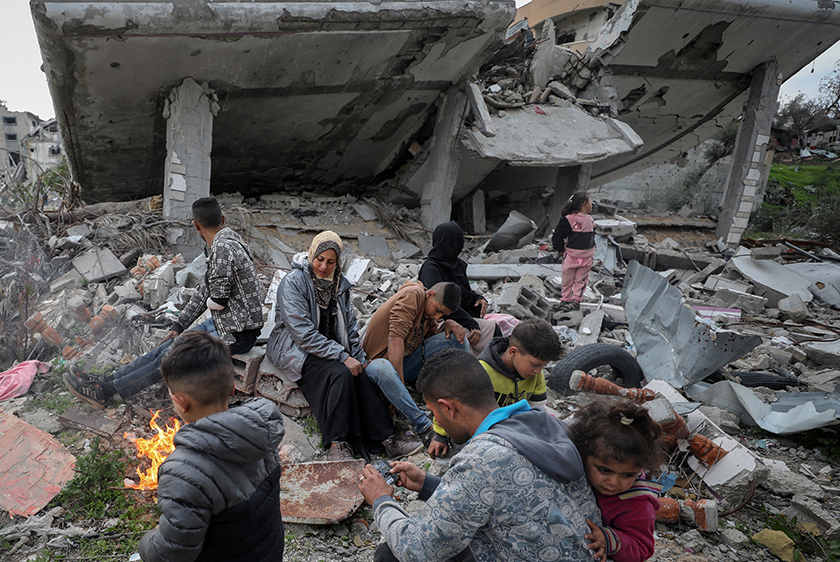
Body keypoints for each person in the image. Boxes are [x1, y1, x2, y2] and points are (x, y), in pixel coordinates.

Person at [358, 348, 600, 562]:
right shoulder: (544, 423)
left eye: (434, 412)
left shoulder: (480, 459)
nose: (436, 421)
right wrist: (426, 484)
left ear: (449, 408)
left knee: (390, 554)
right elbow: (498, 493)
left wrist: (381, 500)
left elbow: (417, 550)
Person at [65, 197, 264, 409]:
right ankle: (109, 381)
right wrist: (178, 326)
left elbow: (218, 298)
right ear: (222, 219)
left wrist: (206, 307)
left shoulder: (223, 248)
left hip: (237, 333)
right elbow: (204, 291)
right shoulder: (221, 246)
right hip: (225, 324)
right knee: (167, 346)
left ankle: (107, 393)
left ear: (195, 225)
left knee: (172, 357)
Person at [266, 231, 421, 461]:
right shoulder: (293, 283)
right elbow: (302, 334)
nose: (323, 266)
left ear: (337, 262)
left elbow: (349, 328)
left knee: (360, 373)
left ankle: (388, 439)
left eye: (331, 261)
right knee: (340, 374)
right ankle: (337, 444)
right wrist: (341, 356)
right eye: (320, 259)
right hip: (296, 349)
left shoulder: (339, 285)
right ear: (312, 255)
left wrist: (359, 357)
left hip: (330, 349)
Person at [139, 330, 285, 562]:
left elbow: (171, 555)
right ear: (232, 388)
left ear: (180, 402)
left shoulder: (184, 472)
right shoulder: (260, 430)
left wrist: (147, 541)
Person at [426, 317, 562, 458]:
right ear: (513, 352)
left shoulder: (534, 376)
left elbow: (537, 411)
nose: (539, 371)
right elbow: (450, 405)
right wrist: (440, 436)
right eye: (535, 364)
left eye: (543, 366)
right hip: (479, 433)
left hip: (512, 431)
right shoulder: (481, 371)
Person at [568, 399, 665, 562]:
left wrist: (609, 539)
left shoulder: (637, 505)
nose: (613, 482)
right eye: (605, 470)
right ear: (584, 455)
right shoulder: (574, 467)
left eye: (627, 475)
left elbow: (643, 549)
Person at [362, 280, 469, 393]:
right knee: (455, 341)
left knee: (457, 339)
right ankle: (417, 410)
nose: (438, 317)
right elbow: (395, 339)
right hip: (378, 366)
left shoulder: (429, 317)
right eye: (438, 310)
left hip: (401, 364)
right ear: (430, 294)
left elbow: (433, 347)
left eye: (442, 315)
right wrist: (399, 386)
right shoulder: (413, 294)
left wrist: (448, 324)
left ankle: (459, 394)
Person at [418, 221, 500, 356]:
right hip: (439, 320)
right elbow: (444, 304)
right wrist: (471, 323)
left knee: (494, 331)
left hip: (461, 317)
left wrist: (478, 298)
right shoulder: (431, 269)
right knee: (465, 338)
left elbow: (463, 293)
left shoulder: (458, 266)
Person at [551, 191, 595, 312]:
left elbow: (592, 236)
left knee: (580, 279)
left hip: (586, 257)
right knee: (567, 278)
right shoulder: (569, 219)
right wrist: (560, 249)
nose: (592, 205)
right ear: (584, 203)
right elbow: (557, 236)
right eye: (590, 202)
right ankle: (565, 299)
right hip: (571, 255)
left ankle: (576, 300)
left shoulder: (590, 220)